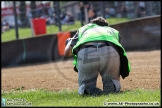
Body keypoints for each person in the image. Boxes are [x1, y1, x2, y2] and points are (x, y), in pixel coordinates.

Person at [64, 17, 131, 96]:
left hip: (87, 51)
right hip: (109, 51)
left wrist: (73, 47)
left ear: (91, 24)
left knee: (85, 85)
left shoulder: (84, 29)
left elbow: (67, 52)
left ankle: (88, 88)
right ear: (106, 26)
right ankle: (111, 83)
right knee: (113, 79)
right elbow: (119, 51)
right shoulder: (113, 31)